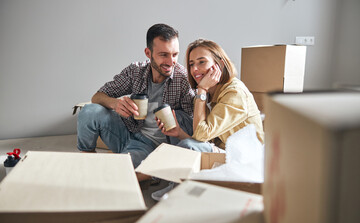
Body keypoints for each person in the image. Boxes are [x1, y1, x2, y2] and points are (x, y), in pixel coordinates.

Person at [77, 24, 195, 181]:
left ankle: (144, 168)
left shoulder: (183, 79)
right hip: (128, 133)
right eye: (163, 55)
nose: (170, 61)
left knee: (120, 173)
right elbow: (97, 96)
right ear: (148, 53)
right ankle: (87, 160)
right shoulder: (135, 71)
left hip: (154, 148)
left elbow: (194, 125)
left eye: (175, 54)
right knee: (89, 111)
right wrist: (115, 104)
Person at [152, 39, 264, 200]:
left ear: (219, 64)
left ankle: (179, 187)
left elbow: (200, 136)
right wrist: (179, 133)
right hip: (219, 147)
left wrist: (202, 90)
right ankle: (177, 180)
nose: (195, 69)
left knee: (190, 145)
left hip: (240, 156)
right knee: (180, 118)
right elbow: (205, 137)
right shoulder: (213, 92)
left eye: (201, 62)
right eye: (191, 64)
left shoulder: (234, 93)